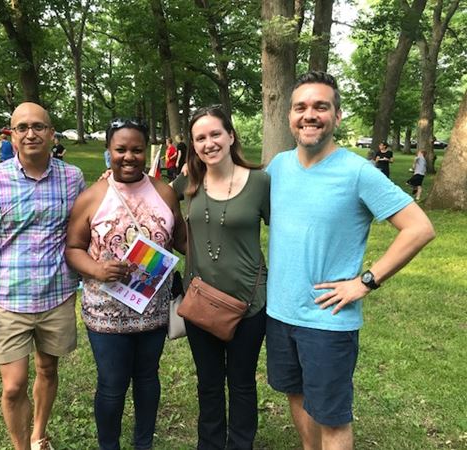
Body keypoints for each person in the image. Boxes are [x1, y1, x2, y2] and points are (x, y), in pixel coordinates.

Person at [265, 71, 435, 450]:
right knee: (295, 394)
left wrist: (365, 281)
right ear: (290, 117)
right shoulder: (277, 167)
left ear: (337, 116)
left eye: (320, 107)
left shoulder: (358, 172)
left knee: (332, 417)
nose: (310, 115)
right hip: (279, 313)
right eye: (301, 107)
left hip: (327, 321)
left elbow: (419, 228)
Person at [0, 102, 86, 450]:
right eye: (22, 128)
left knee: (48, 369)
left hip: (58, 296)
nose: (30, 133)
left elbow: (87, 223)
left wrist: (108, 186)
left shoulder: (73, 177)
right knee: (14, 385)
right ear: (12, 135)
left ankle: (38, 436)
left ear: (51, 133)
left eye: (38, 127)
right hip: (8, 299)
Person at [65, 118, 186, 450]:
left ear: (146, 151)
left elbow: (182, 240)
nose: (129, 156)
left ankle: (143, 444)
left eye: (136, 149)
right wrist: (98, 269)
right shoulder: (92, 198)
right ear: (109, 151)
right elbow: (73, 249)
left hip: (153, 311)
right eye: (121, 149)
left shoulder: (164, 193)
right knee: (112, 384)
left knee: (148, 379)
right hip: (105, 313)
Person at [171, 105, 270, 449]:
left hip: (249, 303)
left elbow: (287, 229)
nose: (209, 142)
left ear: (230, 136)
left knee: (242, 382)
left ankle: (240, 444)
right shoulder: (188, 181)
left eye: (215, 134)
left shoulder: (260, 182)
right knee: (209, 383)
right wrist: (114, 181)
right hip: (200, 301)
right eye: (200, 137)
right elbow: (152, 200)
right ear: (193, 145)